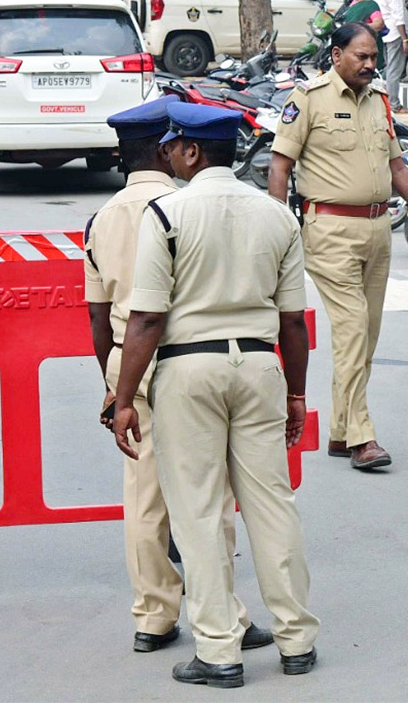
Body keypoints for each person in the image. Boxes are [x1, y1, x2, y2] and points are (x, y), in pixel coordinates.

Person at [111, 101, 319, 689]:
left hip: (188, 371)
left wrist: (125, 398)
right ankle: (296, 639)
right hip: (259, 367)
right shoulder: (277, 215)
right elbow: (294, 322)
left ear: (192, 152)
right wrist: (297, 395)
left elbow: (147, 317)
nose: (168, 153)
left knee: (199, 512)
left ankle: (219, 651)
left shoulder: (167, 213)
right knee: (271, 504)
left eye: (173, 146)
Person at [86, 99, 272, 657]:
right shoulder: (183, 207)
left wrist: (115, 385)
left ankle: (152, 617)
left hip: (127, 359)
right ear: (168, 150)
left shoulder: (102, 217)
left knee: (143, 500)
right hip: (180, 360)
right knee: (206, 497)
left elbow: (98, 314)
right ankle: (226, 617)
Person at [266, 23, 408, 471]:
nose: (369, 64)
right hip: (329, 231)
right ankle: (362, 439)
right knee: (351, 331)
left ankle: (340, 429)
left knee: (365, 336)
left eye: (373, 58)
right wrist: (276, 224)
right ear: (336, 55)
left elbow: (398, 166)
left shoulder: (379, 101)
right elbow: (279, 165)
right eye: (361, 56)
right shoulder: (308, 100)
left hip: (377, 230)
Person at [371, 0, 408, 106]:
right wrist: (405, 40)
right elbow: (399, 19)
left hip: (382, 34)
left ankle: (385, 100)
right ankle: (394, 103)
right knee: (394, 70)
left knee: (388, 68)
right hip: (394, 34)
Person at [338, 0, 385, 69]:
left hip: (363, 44)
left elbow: (379, 23)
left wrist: (360, 27)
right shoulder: (353, 3)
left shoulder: (371, 5)